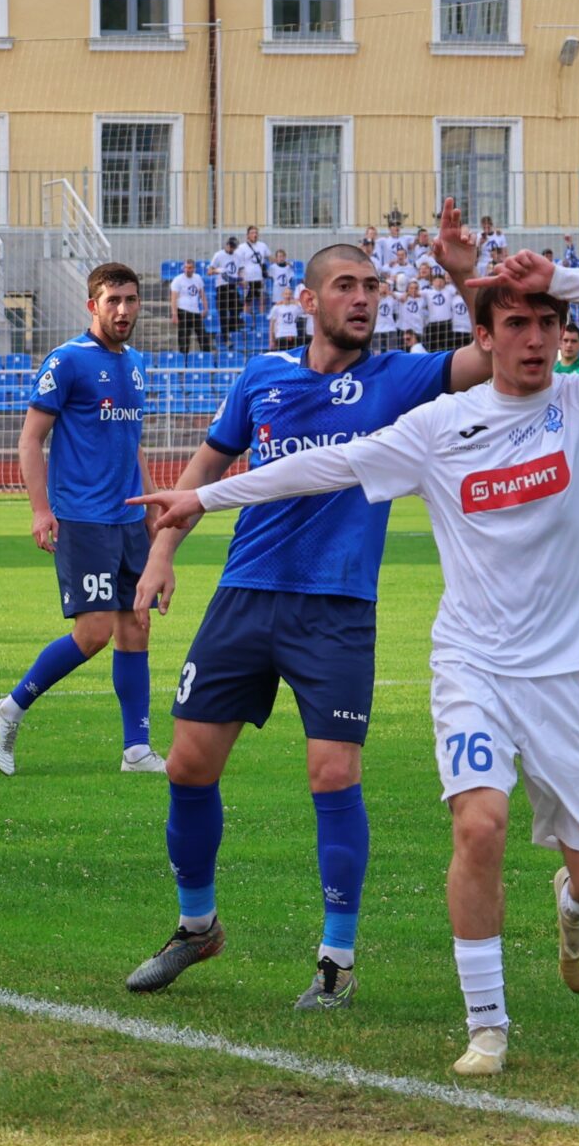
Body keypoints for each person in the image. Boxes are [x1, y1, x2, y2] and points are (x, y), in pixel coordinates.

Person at [134, 249, 579, 1076]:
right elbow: (326, 465)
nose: (534, 340)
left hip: (566, 675)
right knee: (478, 823)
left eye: (547, 325)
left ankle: (572, 908)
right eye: (516, 324)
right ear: (486, 338)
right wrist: (202, 499)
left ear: (564, 334)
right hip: (473, 665)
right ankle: (486, 1025)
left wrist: (559, 279)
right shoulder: (436, 427)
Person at [122, 201, 494, 1014]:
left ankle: (336, 956)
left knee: (332, 774)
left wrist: (466, 274)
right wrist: (159, 554)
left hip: (336, 608)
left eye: (373, 286)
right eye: (347, 285)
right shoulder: (263, 377)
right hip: (245, 596)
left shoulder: (399, 376)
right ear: (309, 300)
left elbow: (494, 353)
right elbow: (203, 473)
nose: (363, 298)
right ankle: (197, 927)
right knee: (188, 764)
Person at [0, 262, 166, 780]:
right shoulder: (67, 361)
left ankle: (137, 749)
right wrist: (40, 510)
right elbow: (29, 440)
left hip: (128, 518)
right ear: (93, 305)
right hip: (82, 518)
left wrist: (153, 502)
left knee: (136, 626)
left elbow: (133, 443)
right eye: (113, 300)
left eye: (131, 300)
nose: (124, 310)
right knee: (93, 634)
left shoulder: (136, 364)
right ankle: (9, 709)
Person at [169, 263, 210, 353]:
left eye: (190, 267)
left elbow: (202, 294)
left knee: (202, 335)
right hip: (183, 310)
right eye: (186, 267)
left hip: (195, 311)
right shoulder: (178, 280)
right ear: (183, 268)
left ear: (194, 269)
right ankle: (184, 357)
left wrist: (205, 308)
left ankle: (207, 355)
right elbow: (173, 298)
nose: (188, 269)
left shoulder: (198, 278)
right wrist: (174, 314)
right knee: (184, 336)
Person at [209, 236, 245, 340]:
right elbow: (210, 271)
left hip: (233, 285)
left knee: (237, 308)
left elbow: (241, 270)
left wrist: (242, 279)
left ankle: (232, 330)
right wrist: (218, 270)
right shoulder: (219, 255)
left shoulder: (238, 256)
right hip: (222, 287)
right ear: (227, 244)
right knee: (223, 313)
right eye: (230, 246)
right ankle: (226, 336)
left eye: (234, 247)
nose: (231, 248)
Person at [236, 234, 267, 325]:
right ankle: (247, 321)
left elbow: (267, 258)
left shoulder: (262, 246)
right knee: (248, 300)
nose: (255, 235)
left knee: (262, 299)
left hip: (259, 278)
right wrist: (240, 278)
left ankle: (261, 321)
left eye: (256, 232)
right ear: (247, 235)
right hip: (248, 279)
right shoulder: (241, 248)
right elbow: (238, 263)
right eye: (252, 233)